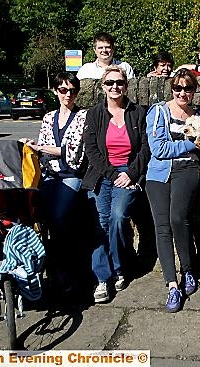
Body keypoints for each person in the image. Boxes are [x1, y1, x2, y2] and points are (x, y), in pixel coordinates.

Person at [82, 65, 150, 303]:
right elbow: (91, 149)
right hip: (102, 174)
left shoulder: (137, 113)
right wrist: (112, 175)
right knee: (99, 223)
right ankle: (102, 277)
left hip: (128, 174)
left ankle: (119, 267)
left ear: (126, 86)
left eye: (119, 82)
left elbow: (144, 147)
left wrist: (131, 174)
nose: (115, 87)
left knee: (118, 217)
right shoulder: (95, 114)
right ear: (103, 86)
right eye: (109, 83)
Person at [145, 68, 200, 312]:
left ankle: (188, 270)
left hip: (187, 170)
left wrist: (189, 146)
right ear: (171, 88)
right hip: (158, 173)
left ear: (194, 91)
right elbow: (158, 149)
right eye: (178, 88)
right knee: (162, 227)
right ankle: (172, 285)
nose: (183, 92)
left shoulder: (199, 115)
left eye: (188, 88)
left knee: (178, 218)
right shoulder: (158, 111)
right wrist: (189, 144)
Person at [23, 72, 87, 294]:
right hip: (49, 175)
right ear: (56, 91)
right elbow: (43, 146)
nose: (67, 95)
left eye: (72, 90)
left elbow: (73, 151)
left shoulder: (83, 116)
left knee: (59, 218)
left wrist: (43, 149)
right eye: (63, 90)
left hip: (71, 175)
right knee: (40, 219)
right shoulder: (48, 117)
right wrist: (35, 147)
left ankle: (64, 272)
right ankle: (48, 269)